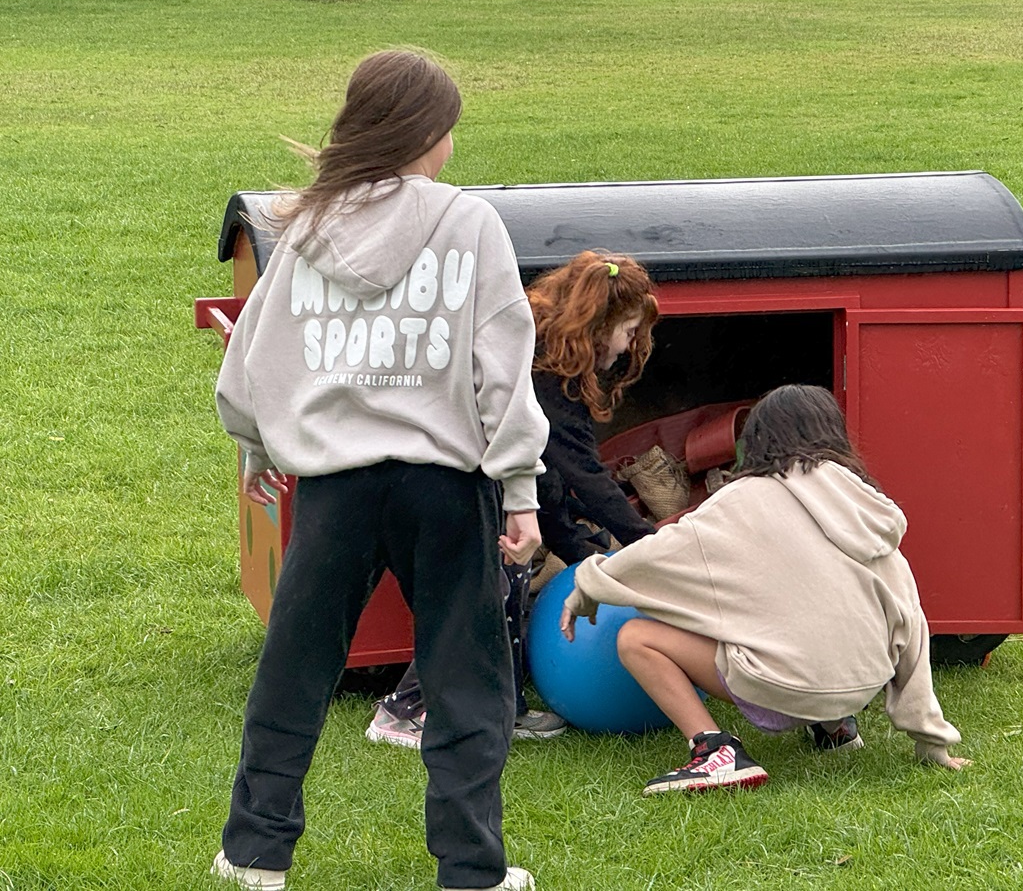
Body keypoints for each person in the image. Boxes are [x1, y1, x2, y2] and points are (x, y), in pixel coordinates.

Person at [210, 50, 546, 891]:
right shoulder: (471, 224)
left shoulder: (303, 227)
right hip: (447, 486)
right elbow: (503, 366)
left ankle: (255, 856)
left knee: (295, 670)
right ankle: (472, 871)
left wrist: (256, 446)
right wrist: (520, 487)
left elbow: (253, 358)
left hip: (335, 487)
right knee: (466, 680)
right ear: (429, 132)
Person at [560, 384, 972, 796]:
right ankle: (834, 729)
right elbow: (910, 618)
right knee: (807, 605)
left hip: (782, 691)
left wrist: (590, 583)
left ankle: (716, 751)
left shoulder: (743, 499)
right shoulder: (866, 506)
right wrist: (931, 739)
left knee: (637, 637)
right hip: (859, 688)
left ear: (757, 439)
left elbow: (663, 552)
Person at [367, 250, 661, 749]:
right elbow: (584, 475)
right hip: (447, 483)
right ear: (600, 324)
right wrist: (652, 545)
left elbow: (548, 481)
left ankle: (506, 708)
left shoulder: (551, 360)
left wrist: (581, 551)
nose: (631, 344)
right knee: (479, 600)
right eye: (630, 330)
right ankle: (404, 710)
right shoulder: (549, 377)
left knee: (508, 593)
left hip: (490, 489)